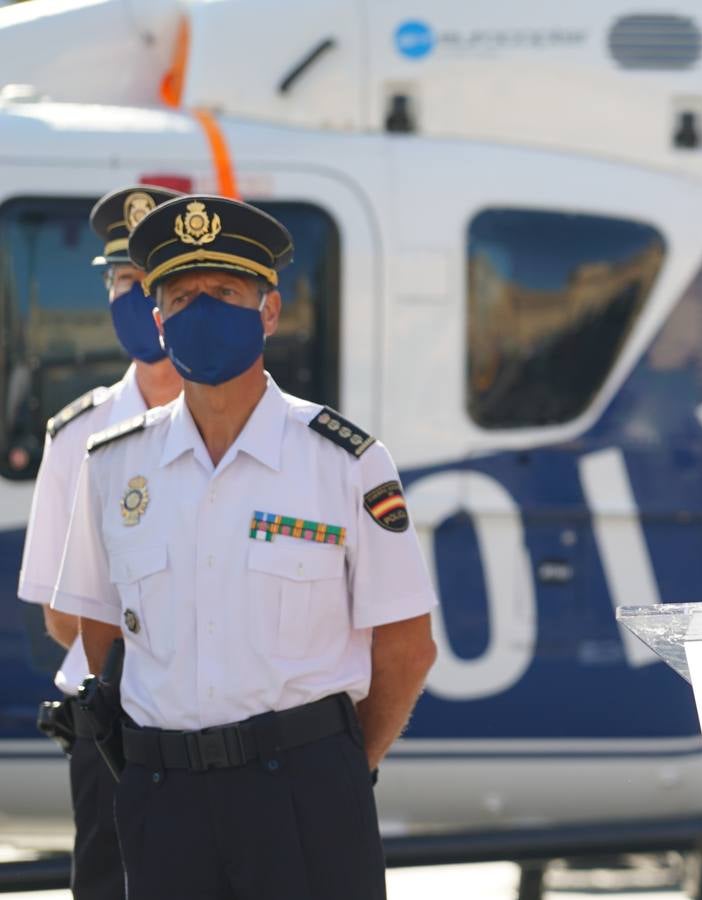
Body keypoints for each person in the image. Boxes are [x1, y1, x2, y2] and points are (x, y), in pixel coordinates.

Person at [51, 194, 439, 900]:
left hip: (302, 795)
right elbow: (98, 633)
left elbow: (407, 645)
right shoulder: (111, 464)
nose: (202, 309)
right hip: (162, 799)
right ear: (159, 320)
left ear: (269, 310)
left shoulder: (346, 461)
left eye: (225, 292)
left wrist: (341, 765)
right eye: (182, 295)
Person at [15, 184, 182, 900]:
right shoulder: (76, 434)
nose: (135, 297)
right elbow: (62, 613)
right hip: (114, 730)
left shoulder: (265, 427)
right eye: (122, 281)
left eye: (153, 282)